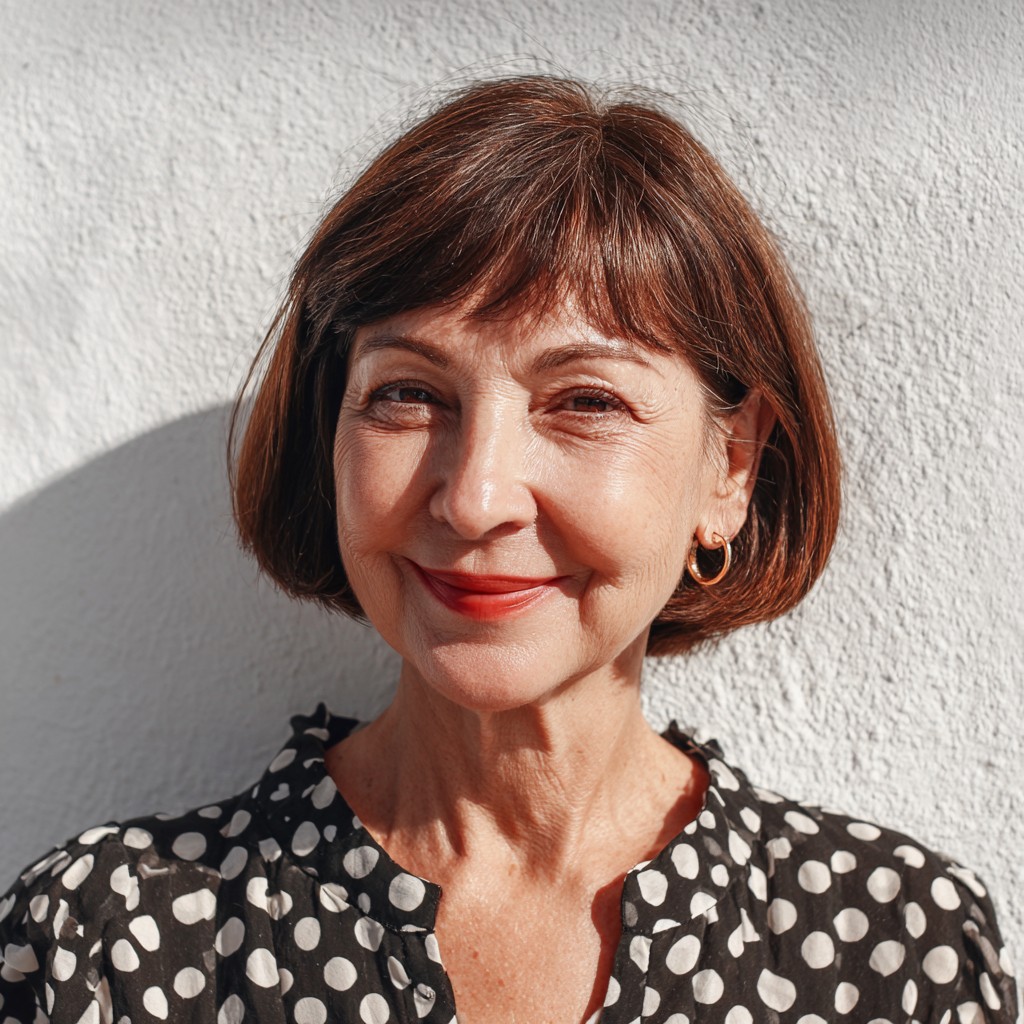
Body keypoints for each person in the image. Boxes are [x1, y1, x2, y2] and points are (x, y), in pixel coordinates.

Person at [0, 75, 1016, 1024]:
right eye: (409, 393)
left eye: (585, 401)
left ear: (732, 468)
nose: (477, 497)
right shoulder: (106, 951)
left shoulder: (893, 954)